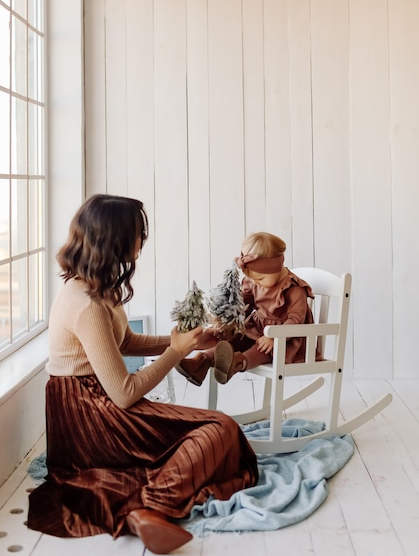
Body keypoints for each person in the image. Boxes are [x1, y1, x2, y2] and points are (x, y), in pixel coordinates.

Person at [27, 194, 259, 555]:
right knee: (220, 429)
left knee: (216, 430)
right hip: (89, 414)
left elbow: (126, 340)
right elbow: (123, 392)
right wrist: (176, 352)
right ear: (114, 238)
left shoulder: (98, 286)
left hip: (96, 400)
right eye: (138, 233)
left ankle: (143, 506)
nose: (142, 240)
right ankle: (148, 506)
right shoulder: (86, 303)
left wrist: (186, 342)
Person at [176, 232, 315, 386]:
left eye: (260, 279)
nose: (256, 283)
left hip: (284, 340)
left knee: (262, 347)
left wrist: (274, 337)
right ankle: (201, 361)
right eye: (253, 279)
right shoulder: (255, 282)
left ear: (275, 267)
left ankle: (237, 362)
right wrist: (228, 321)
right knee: (235, 338)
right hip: (258, 329)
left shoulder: (294, 288)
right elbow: (244, 306)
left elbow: (296, 321)